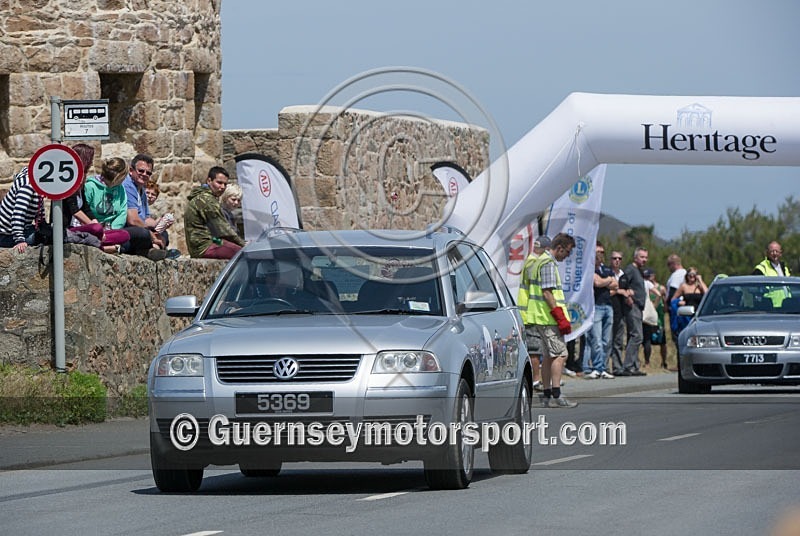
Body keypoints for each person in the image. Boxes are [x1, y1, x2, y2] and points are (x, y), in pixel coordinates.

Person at [529, 232, 577, 408]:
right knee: (560, 354)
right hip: (549, 318)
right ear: (559, 248)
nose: (568, 256)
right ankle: (557, 394)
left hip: (542, 317)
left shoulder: (540, 260)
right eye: (568, 251)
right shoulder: (548, 263)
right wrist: (559, 316)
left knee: (549, 357)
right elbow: (547, 293)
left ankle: (547, 394)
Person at [83, 157, 158, 258]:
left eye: (148, 173)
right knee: (142, 234)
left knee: (125, 236)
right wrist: (98, 228)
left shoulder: (120, 189)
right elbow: (85, 209)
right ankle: (110, 247)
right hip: (94, 227)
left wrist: (112, 230)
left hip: (111, 230)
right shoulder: (90, 187)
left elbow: (122, 213)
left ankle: (112, 246)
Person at [184, 166, 246, 259]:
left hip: (205, 244)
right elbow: (223, 229)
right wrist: (244, 245)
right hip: (205, 246)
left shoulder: (201, 197)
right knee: (244, 254)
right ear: (209, 181)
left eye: (225, 184)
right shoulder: (207, 200)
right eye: (219, 183)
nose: (222, 187)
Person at [517, 235, 551, 392]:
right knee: (534, 350)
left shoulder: (531, 261)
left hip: (532, 312)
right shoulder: (533, 263)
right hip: (531, 312)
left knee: (537, 349)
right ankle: (536, 380)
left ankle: (538, 379)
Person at [583, 241, 617, 379]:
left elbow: (615, 285)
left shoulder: (607, 269)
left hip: (608, 306)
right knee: (596, 339)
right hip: (595, 306)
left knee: (606, 340)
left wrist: (606, 281)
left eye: (602, 252)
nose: (600, 254)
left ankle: (603, 367)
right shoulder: (590, 268)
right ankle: (597, 367)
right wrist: (608, 280)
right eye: (597, 252)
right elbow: (596, 282)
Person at [123, 154, 170, 251]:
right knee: (144, 234)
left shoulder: (142, 190)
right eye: (141, 171)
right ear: (131, 171)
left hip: (138, 227)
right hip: (126, 228)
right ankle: (155, 248)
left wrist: (159, 224)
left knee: (163, 233)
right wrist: (151, 234)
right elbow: (133, 221)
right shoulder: (128, 186)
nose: (144, 174)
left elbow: (146, 219)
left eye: (148, 173)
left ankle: (155, 249)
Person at [0, 165, 44, 254]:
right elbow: (18, 214)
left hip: (20, 229)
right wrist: (19, 240)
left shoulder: (38, 185)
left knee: (46, 235)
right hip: (5, 234)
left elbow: (40, 212)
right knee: (37, 238)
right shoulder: (28, 186)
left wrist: (43, 227)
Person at [620, 246, 648, 376]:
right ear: (635, 257)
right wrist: (627, 297)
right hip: (633, 307)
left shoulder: (639, 271)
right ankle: (628, 366)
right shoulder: (630, 270)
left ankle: (635, 366)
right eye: (642, 257)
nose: (644, 260)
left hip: (639, 307)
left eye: (646, 257)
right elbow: (622, 283)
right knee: (637, 336)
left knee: (636, 336)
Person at [642, 268, 668, 370]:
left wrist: (656, 305)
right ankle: (647, 362)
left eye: (649, 276)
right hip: (648, 316)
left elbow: (665, 302)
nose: (648, 278)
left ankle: (664, 362)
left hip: (658, 317)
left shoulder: (661, 288)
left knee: (662, 341)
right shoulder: (645, 286)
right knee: (647, 339)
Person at [609, 250, 629, 376]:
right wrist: (618, 291)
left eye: (619, 259)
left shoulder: (624, 276)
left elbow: (628, 290)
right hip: (608, 309)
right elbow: (604, 292)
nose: (617, 261)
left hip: (621, 312)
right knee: (607, 341)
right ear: (610, 260)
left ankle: (617, 367)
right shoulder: (606, 273)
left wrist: (629, 293)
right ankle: (604, 367)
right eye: (615, 258)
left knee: (618, 341)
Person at [665, 254, 687, 356]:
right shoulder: (685, 273)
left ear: (674, 264)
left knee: (676, 334)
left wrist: (667, 304)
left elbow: (672, 293)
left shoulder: (676, 275)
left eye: (669, 265)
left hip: (676, 309)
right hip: (683, 308)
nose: (668, 268)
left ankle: (680, 359)